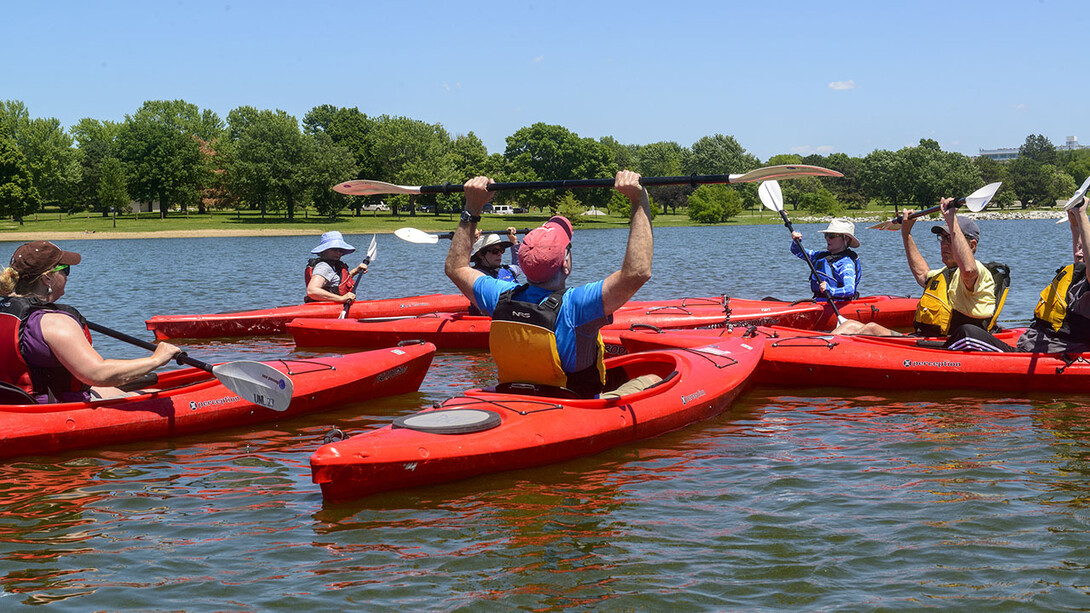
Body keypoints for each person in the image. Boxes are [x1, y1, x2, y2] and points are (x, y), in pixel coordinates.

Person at [446, 171, 653, 398]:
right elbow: (637, 272)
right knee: (653, 377)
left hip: (517, 400)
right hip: (574, 408)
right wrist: (638, 200)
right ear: (565, 262)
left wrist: (472, 207)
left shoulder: (500, 296)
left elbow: (456, 268)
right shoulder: (577, 305)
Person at [0, 241, 182, 403]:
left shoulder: (6, 311)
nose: (67, 276)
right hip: (52, 411)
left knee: (124, 390)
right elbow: (98, 374)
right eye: (65, 270)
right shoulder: (55, 322)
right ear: (47, 278)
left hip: (15, 401)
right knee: (158, 396)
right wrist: (157, 359)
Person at [832, 198, 999, 337]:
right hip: (923, 341)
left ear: (972, 246)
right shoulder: (944, 274)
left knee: (871, 329)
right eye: (942, 239)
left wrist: (951, 220)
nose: (944, 245)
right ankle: (814, 351)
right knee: (850, 325)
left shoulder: (978, 271)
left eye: (950, 239)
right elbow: (922, 274)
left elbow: (968, 270)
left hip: (952, 345)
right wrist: (906, 233)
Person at [945, 197, 1090, 353]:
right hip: (1032, 344)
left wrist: (1082, 214)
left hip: (1051, 354)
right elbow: (1080, 250)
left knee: (967, 334)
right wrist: (1074, 221)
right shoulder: (1078, 274)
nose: (1078, 251)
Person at [790, 218, 861, 300]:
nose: (827, 238)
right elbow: (796, 251)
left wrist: (831, 290)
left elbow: (849, 290)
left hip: (837, 304)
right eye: (826, 235)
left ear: (846, 239)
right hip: (818, 301)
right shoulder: (820, 256)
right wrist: (797, 240)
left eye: (832, 236)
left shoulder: (846, 264)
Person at [305, 231, 368, 303]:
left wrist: (355, 271)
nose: (339, 253)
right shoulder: (323, 267)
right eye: (334, 250)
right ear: (324, 250)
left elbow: (336, 281)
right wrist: (340, 299)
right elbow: (312, 290)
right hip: (327, 309)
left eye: (341, 250)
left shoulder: (332, 265)